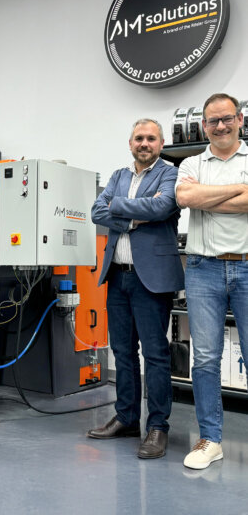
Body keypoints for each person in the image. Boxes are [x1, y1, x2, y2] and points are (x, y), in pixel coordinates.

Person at [87, 118, 184, 459]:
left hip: (152, 279)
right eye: (139, 138)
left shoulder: (171, 174)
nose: (144, 143)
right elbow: (96, 211)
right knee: (123, 352)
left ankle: (157, 427)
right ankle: (127, 418)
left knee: (155, 354)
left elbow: (162, 206)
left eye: (151, 138)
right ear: (130, 143)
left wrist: (117, 206)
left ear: (161, 144)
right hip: (118, 276)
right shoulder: (118, 176)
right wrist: (133, 218)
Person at [176, 93, 248, 470]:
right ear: (204, 126)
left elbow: (197, 198)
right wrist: (238, 192)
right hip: (202, 269)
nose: (220, 126)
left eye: (226, 118)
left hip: (247, 267)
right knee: (204, 358)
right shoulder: (191, 163)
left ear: (239, 119)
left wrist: (206, 198)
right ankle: (210, 439)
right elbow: (185, 196)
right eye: (213, 121)